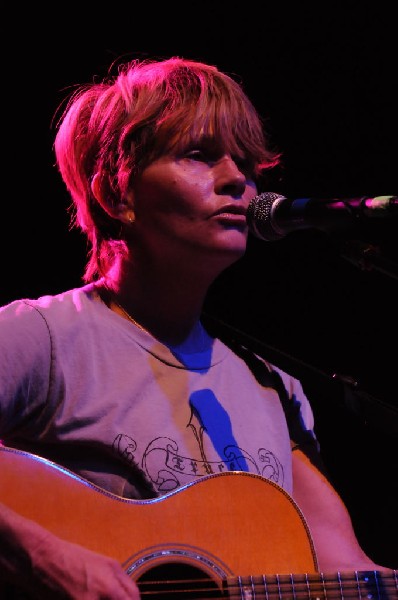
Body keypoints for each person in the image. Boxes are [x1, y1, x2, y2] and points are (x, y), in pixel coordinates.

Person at [0, 55, 395, 599]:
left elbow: (347, 573)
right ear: (117, 193)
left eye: (246, 162)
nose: (239, 179)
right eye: (199, 155)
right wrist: (40, 554)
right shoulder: (41, 338)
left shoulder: (275, 389)